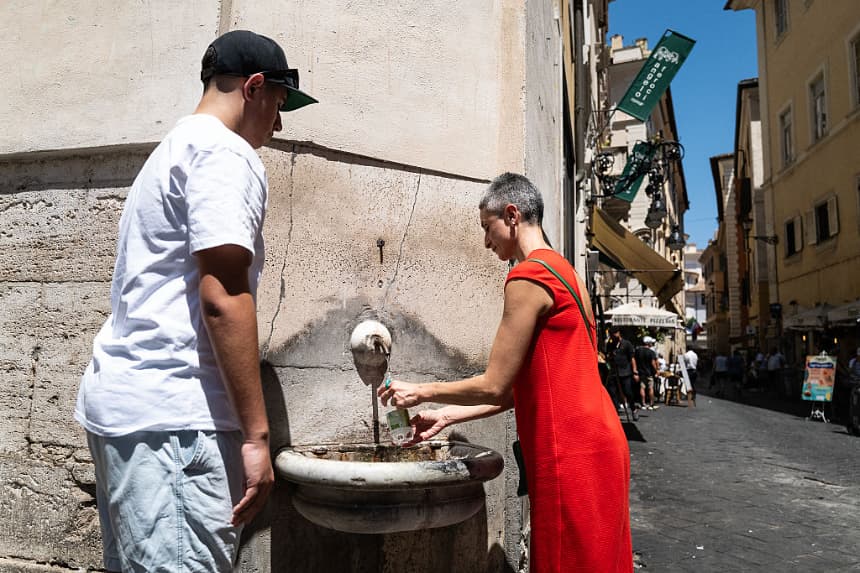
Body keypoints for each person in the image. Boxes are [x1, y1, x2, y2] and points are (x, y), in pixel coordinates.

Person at [74, 30, 317, 572]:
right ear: (254, 87)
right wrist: (257, 437)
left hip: (135, 412)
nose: (278, 124)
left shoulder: (171, 151)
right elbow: (223, 295)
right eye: (279, 103)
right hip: (177, 421)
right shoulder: (223, 153)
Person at [378, 173, 632, 573]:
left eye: (487, 227)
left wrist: (421, 390)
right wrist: (447, 416)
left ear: (512, 216)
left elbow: (494, 383)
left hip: (569, 448)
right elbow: (519, 390)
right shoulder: (566, 273)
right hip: (600, 440)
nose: (486, 241)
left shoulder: (528, 276)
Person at [608, 325, 641, 421]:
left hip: (625, 372)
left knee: (628, 392)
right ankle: (615, 410)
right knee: (612, 391)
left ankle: (633, 409)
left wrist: (635, 371)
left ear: (618, 333)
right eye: (611, 335)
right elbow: (608, 356)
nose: (613, 336)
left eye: (615, 334)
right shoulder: (610, 344)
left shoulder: (626, 344)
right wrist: (610, 357)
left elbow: (632, 358)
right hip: (614, 372)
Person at [635, 337, 659, 410]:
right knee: (650, 388)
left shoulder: (638, 351)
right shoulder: (651, 352)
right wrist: (656, 370)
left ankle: (643, 403)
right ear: (649, 343)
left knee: (642, 387)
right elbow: (653, 363)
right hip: (649, 373)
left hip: (641, 372)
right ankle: (651, 403)